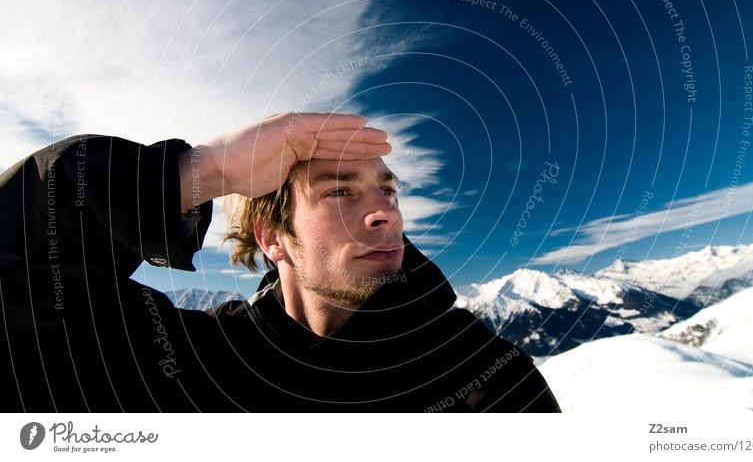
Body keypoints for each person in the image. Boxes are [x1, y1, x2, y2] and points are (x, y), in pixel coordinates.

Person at [0, 112, 560, 412]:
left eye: (388, 192)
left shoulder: (488, 377)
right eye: (340, 193)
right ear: (271, 237)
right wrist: (203, 172)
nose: (383, 214)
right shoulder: (182, 361)